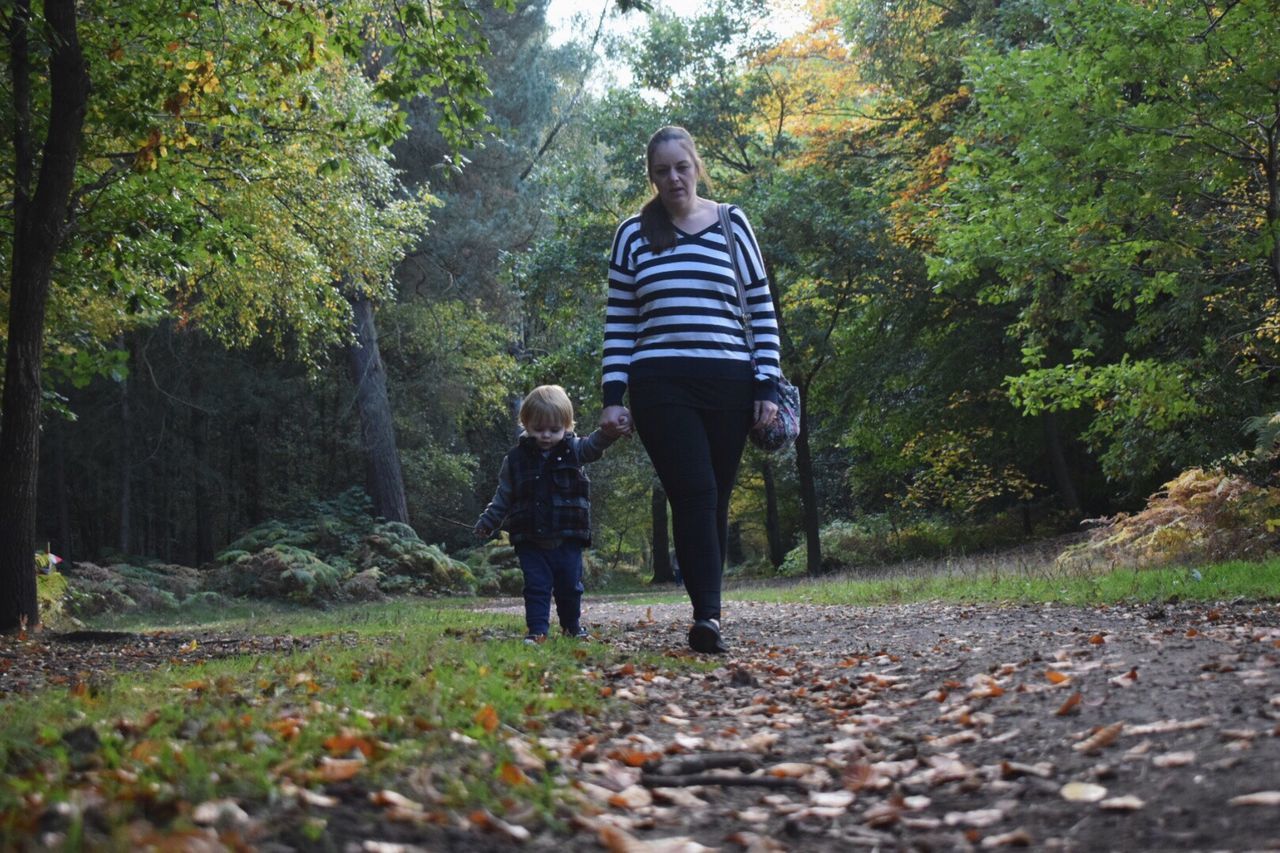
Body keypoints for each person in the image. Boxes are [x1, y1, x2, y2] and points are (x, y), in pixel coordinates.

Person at [599, 125, 780, 654]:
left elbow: (762, 309)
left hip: (730, 382)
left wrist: (765, 385)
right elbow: (619, 322)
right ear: (651, 177)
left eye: (681, 166)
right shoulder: (632, 234)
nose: (673, 178)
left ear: (696, 165)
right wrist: (613, 395)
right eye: (661, 171)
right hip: (659, 386)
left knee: (715, 500)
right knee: (695, 492)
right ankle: (709, 619)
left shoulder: (732, 223)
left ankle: (708, 612)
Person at [475, 385, 618, 644]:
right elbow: (503, 496)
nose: (546, 435)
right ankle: (538, 630)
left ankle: (571, 627)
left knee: (570, 587)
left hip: (568, 534)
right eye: (538, 429)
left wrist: (608, 432)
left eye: (554, 430)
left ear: (566, 426)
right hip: (529, 537)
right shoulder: (515, 460)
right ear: (525, 424)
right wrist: (489, 521)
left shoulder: (574, 450)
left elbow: (594, 446)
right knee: (536, 586)